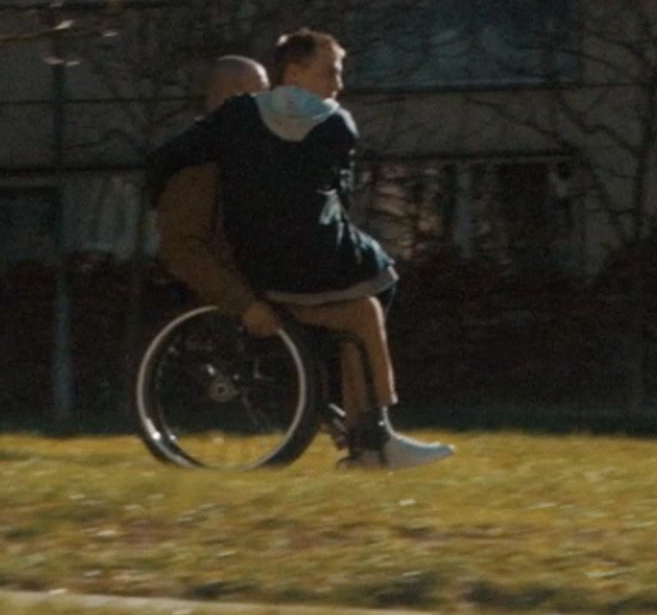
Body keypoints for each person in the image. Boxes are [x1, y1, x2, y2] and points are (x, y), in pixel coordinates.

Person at [148, 31, 453, 470]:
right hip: (253, 287)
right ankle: (371, 439)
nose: (271, 103)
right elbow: (183, 250)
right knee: (366, 290)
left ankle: (370, 438)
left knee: (364, 311)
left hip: (275, 275)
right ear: (229, 99)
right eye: (257, 94)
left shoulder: (240, 143)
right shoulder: (197, 171)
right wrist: (245, 304)